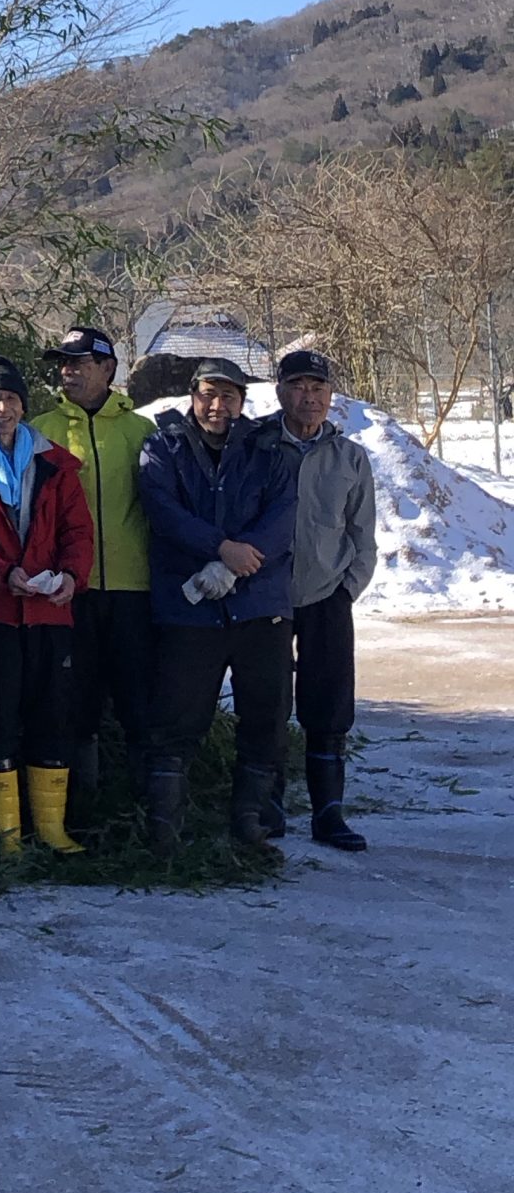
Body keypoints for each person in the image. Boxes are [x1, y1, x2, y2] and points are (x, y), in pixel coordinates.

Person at [136, 357, 298, 858]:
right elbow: (163, 512)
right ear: (192, 396)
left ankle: (250, 821)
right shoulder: (162, 445)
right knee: (176, 719)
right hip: (190, 610)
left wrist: (236, 562)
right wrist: (219, 548)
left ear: (242, 402)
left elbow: (283, 516)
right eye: (208, 394)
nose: (217, 405)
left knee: (266, 716)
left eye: (229, 396)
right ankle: (165, 831)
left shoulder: (269, 449)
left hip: (259, 606)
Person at [0, 356, 95, 854]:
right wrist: (4, 574)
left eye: (9, 398)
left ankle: (51, 830)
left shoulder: (55, 463)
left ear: (24, 404)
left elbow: (78, 529)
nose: (2, 408)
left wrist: (71, 576)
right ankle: (6, 837)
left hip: (50, 609)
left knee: (54, 714)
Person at [30, 326, 154, 823]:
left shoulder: (141, 431)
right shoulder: (38, 430)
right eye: (63, 361)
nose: (69, 370)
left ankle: (147, 817)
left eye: (80, 361)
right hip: (65, 592)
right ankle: (81, 816)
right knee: (73, 705)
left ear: (108, 368)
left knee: (138, 704)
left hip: (132, 591)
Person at [273, 346, 377, 852]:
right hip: (266, 596)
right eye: (298, 387)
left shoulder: (350, 457)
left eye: (318, 388)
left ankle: (328, 812)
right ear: (280, 392)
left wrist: (346, 590)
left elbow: (364, 534)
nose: (309, 398)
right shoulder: (257, 446)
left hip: (325, 597)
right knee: (267, 703)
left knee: (329, 706)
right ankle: (265, 806)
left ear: (331, 397)